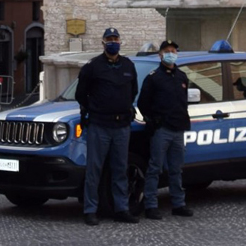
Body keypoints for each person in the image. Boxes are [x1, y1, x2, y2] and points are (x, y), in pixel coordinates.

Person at [75, 27, 140, 226]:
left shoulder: (128, 65)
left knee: (120, 169)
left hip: (121, 126)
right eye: (109, 39)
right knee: (95, 170)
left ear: (120, 41)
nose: (113, 42)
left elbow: (133, 91)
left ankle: (121, 208)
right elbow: (80, 94)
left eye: (116, 38)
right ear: (103, 43)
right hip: (100, 125)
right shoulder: (93, 67)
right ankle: (90, 210)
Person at [137, 40, 194, 220]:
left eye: (173, 50)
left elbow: (183, 102)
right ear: (161, 55)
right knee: (155, 168)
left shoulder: (182, 77)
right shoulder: (153, 78)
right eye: (167, 51)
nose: (171, 53)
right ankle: (151, 205)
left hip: (179, 129)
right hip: (162, 130)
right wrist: (153, 120)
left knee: (177, 169)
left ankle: (178, 204)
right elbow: (143, 103)